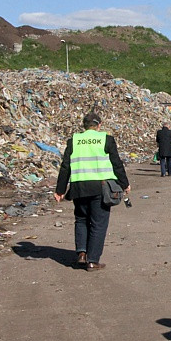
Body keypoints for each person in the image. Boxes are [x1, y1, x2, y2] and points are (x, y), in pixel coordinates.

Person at [54, 112, 130, 271]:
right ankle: (93, 260)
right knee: (98, 223)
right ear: (99, 125)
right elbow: (116, 163)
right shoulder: (106, 140)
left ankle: (81, 253)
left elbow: (65, 166)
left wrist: (60, 190)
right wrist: (124, 184)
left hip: (78, 187)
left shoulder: (74, 140)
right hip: (100, 188)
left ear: (84, 126)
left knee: (81, 219)